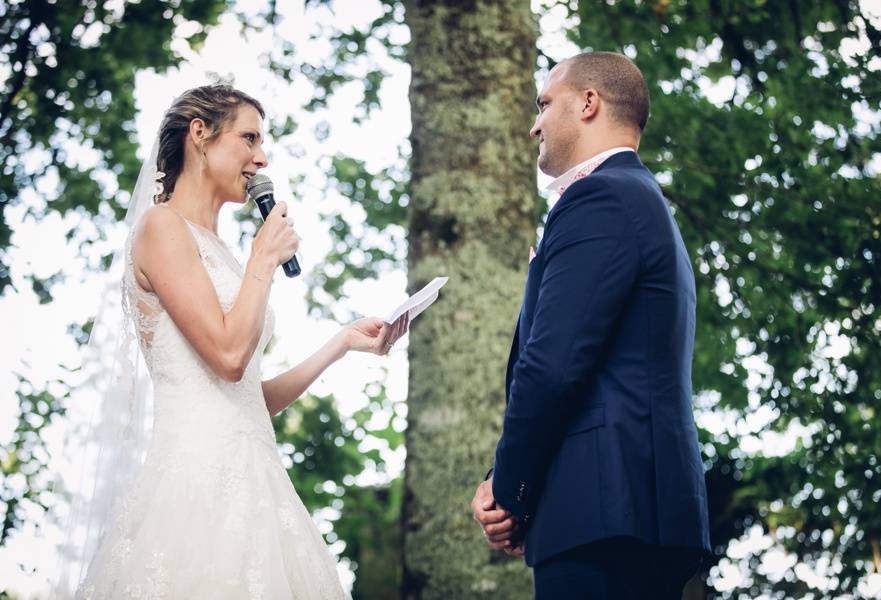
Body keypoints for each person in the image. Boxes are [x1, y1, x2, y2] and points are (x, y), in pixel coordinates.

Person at [54, 85, 409, 599]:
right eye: (249, 138)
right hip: (197, 482)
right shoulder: (161, 228)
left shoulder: (224, 253)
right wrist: (263, 262)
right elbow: (226, 356)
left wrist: (339, 344)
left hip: (258, 481)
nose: (261, 158)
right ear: (200, 134)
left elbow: (248, 397)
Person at [471, 52, 711, 598]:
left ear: (588, 103)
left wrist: (507, 490)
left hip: (606, 512)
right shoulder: (637, 198)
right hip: (629, 507)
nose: (534, 123)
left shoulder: (601, 197)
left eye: (544, 103)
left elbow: (552, 366)